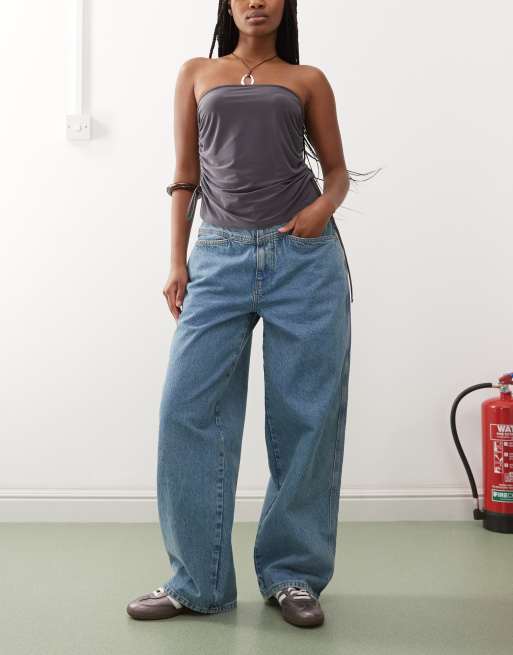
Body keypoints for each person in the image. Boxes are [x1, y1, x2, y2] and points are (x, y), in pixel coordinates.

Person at [127, 0, 376, 629]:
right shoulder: (196, 73)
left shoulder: (307, 79)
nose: (256, 1)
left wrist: (320, 210)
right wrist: (177, 261)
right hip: (218, 256)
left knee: (306, 417)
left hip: (304, 258)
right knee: (187, 409)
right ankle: (197, 583)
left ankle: (293, 575)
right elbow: (185, 177)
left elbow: (337, 173)